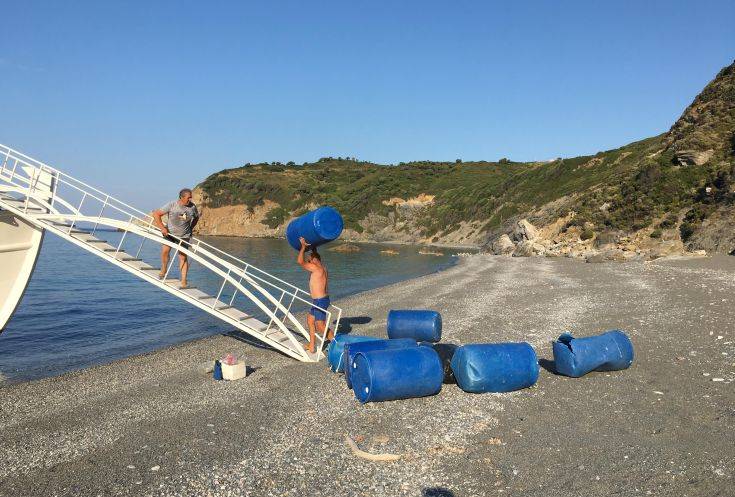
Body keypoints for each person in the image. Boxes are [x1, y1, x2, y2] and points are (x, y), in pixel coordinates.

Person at [152, 188, 199, 289]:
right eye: (188, 197)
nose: (190, 199)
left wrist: (191, 228)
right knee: (165, 251)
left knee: (183, 257)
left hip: (184, 236)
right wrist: (162, 228)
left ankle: (183, 281)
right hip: (170, 234)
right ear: (181, 197)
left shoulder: (192, 207)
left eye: (191, 197)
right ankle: (164, 269)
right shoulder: (172, 205)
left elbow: (196, 217)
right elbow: (156, 214)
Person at [297, 237, 334, 353]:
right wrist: (313, 247)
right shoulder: (323, 268)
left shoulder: (316, 268)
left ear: (314, 260)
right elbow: (313, 256)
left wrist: (303, 248)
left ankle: (338, 344)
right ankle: (312, 346)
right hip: (320, 300)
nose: (308, 261)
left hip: (320, 300)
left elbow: (300, 262)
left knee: (320, 326)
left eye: (310, 259)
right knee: (310, 320)